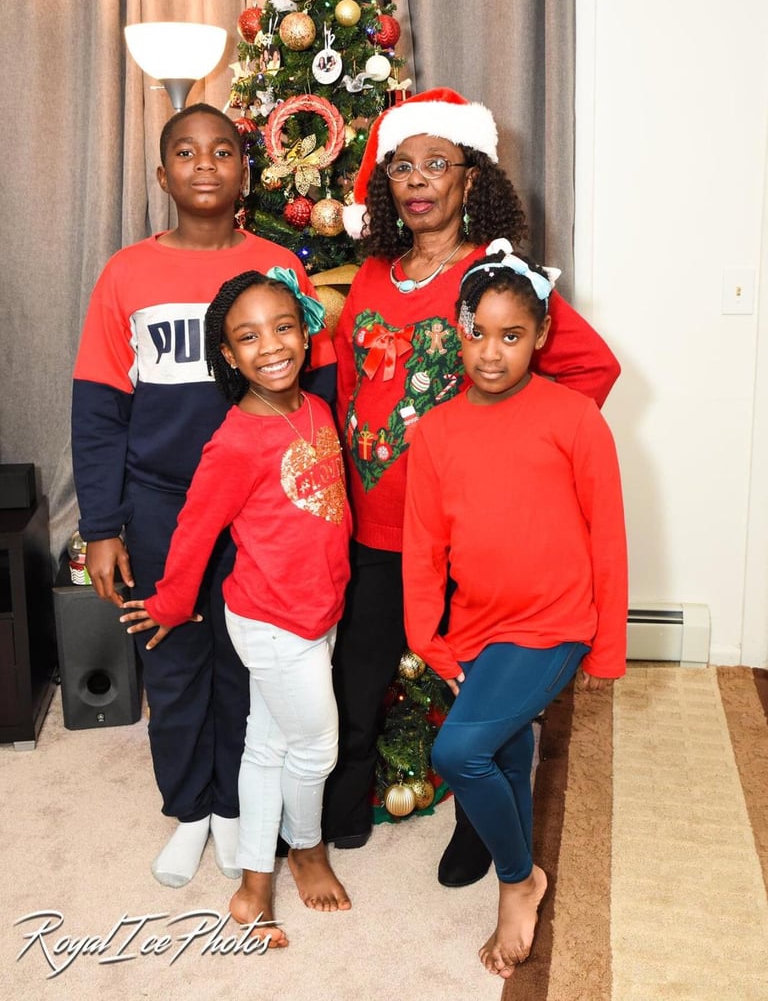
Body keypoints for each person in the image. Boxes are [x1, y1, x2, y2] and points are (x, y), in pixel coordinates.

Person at [322, 87, 621, 889]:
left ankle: (477, 832)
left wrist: (513, 454)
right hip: (375, 525)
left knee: (476, 692)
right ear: (386, 184)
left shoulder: (495, 279)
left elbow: (591, 368)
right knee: (357, 679)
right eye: (402, 166)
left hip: (466, 538)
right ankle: (345, 806)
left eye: (438, 163)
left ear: (470, 178)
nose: (419, 180)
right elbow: (349, 383)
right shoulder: (373, 276)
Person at [71, 103, 336, 889]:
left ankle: (233, 808)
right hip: (160, 501)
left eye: (223, 151)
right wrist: (102, 524)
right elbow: (98, 410)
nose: (206, 165)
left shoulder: (278, 266)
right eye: (186, 152)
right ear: (163, 175)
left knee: (246, 664)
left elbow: (315, 395)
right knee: (175, 658)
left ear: (245, 171)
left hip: (265, 511)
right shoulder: (126, 273)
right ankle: (190, 810)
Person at [402, 241, 627, 977]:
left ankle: (518, 881)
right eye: (478, 333)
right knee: (501, 753)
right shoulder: (436, 431)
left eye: (512, 335)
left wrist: (608, 646)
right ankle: (522, 867)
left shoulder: (575, 419)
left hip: (553, 624)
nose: (491, 352)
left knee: (457, 753)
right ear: (458, 329)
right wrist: (427, 637)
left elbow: (607, 538)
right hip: (476, 626)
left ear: (541, 335)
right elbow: (423, 547)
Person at [120, 269, 352, 944]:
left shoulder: (315, 410)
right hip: (276, 622)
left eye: (283, 328)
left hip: (320, 610)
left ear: (305, 333)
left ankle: (253, 885)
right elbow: (194, 529)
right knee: (316, 748)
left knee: (266, 746)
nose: (271, 346)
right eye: (248, 337)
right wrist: (169, 602)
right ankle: (306, 850)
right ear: (227, 355)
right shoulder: (235, 439)